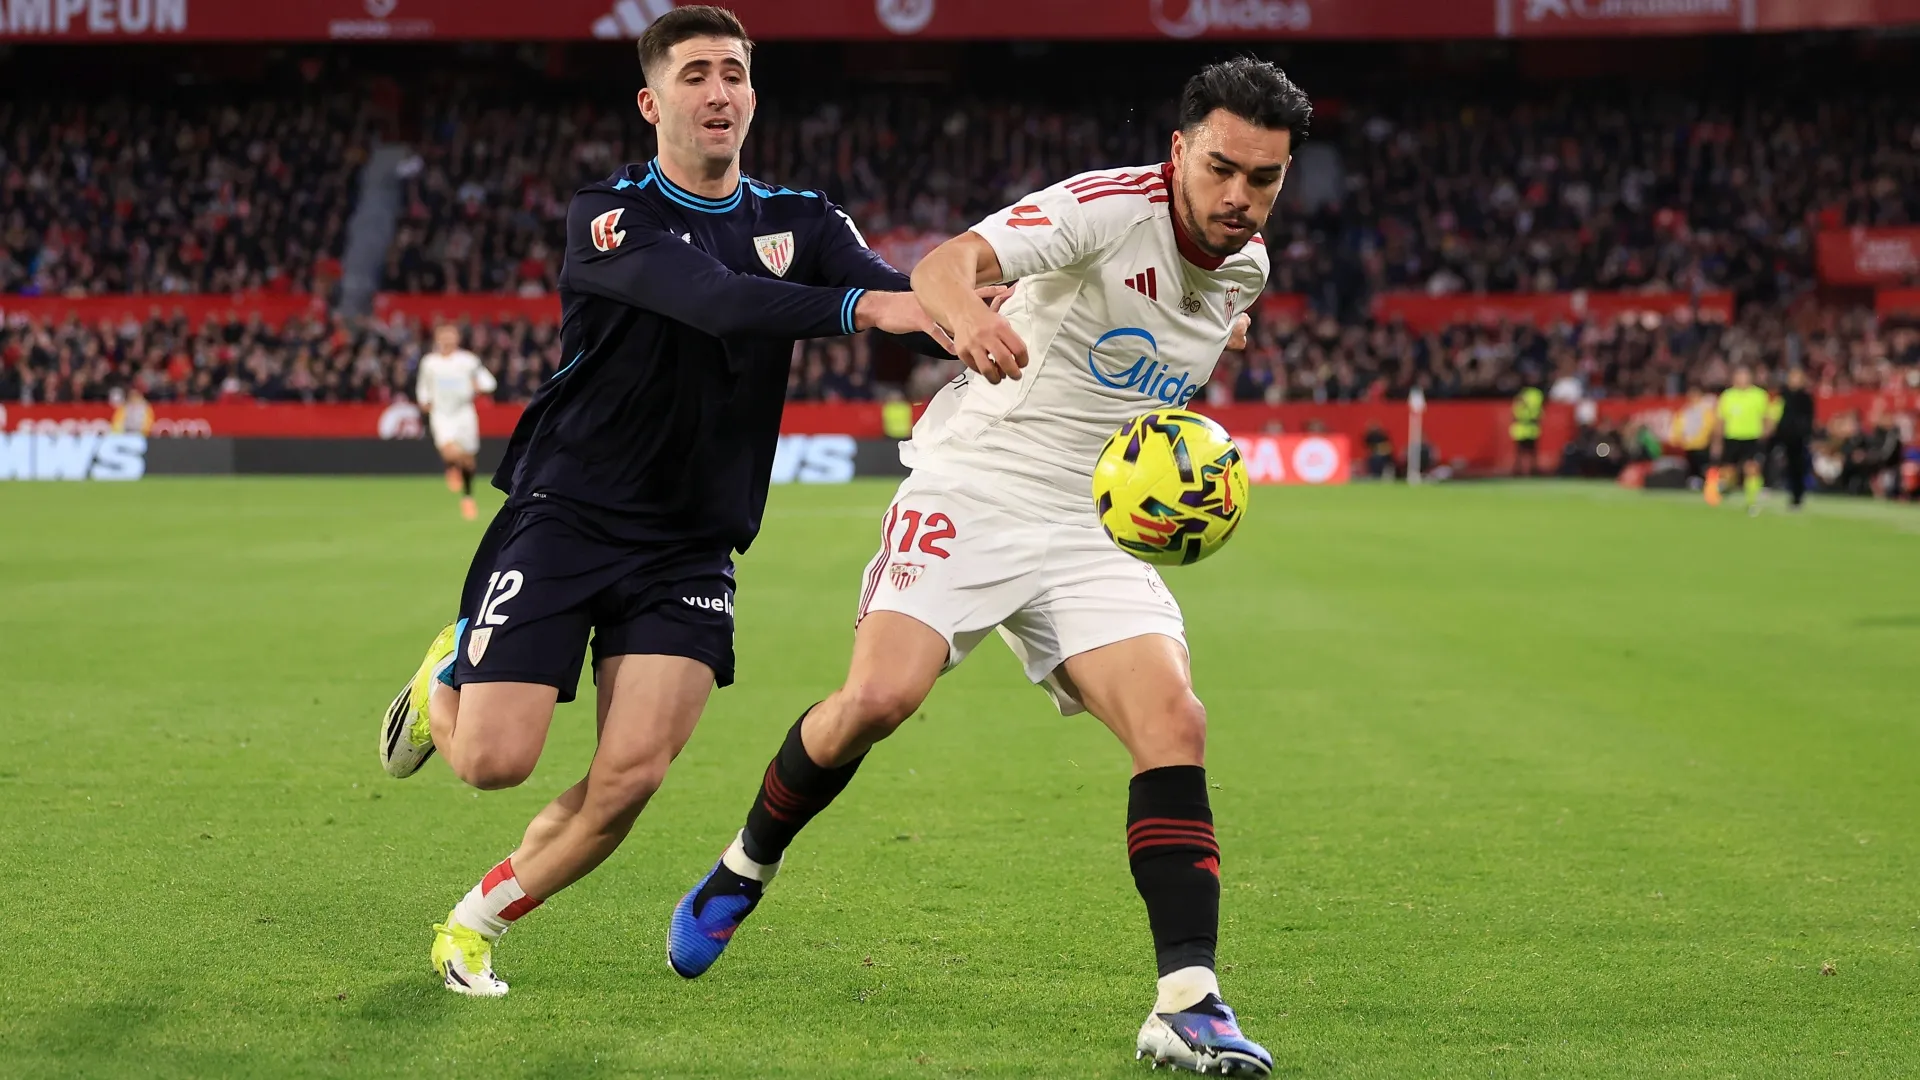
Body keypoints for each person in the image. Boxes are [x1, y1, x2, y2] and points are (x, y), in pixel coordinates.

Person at [666, 58, 1308, 1078]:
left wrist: (1174, 468)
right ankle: (746, 863)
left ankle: (1188, 1001)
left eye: (1264, 179)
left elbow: (1177, 357)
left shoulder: (1246, 267)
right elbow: (943, 265)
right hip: (977, 485)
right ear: (1179, 151)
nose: (1240, 197)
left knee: (1174, 721)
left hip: (1093, 521)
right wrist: (970, 319)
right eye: (1223, 168)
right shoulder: (1101, 209)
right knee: (878, 698)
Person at [373, 6, 957, 999]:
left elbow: (908, 300)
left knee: (631, 778)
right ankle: (445, 679)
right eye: (695, 74)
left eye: (733, 72)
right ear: (653, 102)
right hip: (569, 512)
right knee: (493, 764)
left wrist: (1075, 319)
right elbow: (721, 301)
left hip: (691, 543)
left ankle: (472, 926)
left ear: (753, 95)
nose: (719, 90)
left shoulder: (804, 220)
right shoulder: (609, 215)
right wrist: (873, 307)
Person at [415, 323, 498, 520]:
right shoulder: (430, 363)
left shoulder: (468, 361)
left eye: (451, 336)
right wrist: (424, 401)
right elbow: (423, 386)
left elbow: (489, 382)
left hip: (464, 413)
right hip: (442, 414)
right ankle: (451, 466)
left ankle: (468, 497)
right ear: (437, 339)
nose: (447, 340)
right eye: (443, 336)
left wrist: (480, 386)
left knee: (469, 462)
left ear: (457, 339)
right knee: (449, 450)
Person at [1710, 365, 1773, 515]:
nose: (1742, 379)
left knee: (1752, 469)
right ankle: (1727, 488)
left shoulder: (1759, 395)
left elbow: (1767, 417)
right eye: (1739, 376)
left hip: (1752, 438)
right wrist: (1717, 442)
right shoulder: (1727, 396)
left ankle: (1752, 503)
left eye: (1745, 376)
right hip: (1732, 438)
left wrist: (1766, 432)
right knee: (1729, 473)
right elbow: (1720, 420)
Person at [1773, 368, 1815, 510]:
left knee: (1797, 467)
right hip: (1781, 436)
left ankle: (1797, 496)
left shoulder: (1806, 398)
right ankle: (1771, 487)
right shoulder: (1783, 395)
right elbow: (1776, 413)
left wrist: (1806, 435)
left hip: (1798, 438)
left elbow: (1809, 419)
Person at [1510, 382, 1544, 476]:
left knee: (1529, 451)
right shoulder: (1532, 395)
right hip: (1523, 427)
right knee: (1522, 451)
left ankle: (1531, 470)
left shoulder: (1532, 395)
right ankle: (1520, 470)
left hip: (1528, 427)